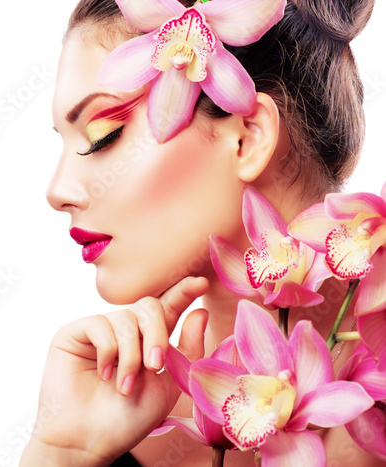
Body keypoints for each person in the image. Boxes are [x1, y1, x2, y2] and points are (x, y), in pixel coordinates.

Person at [20, 0, 383, 465]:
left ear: (248, 138)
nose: (57, 191)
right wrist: (60, 454)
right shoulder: (111, 425)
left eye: (101, 136)